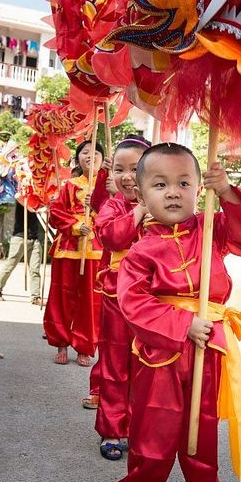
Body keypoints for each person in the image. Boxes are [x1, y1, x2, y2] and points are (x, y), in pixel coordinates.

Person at [109, 143, 241, 482]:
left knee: (202, 440)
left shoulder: (211, 231)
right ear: (142, 196)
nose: (173, 192)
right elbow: (134, 303)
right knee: (151, 438)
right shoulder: (140, 251)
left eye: (184, 182)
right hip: (158, 358)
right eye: (160, 184)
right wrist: (183, 324)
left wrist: (230, 192)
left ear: (200, 187)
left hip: (208, 354)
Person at [85, 135, 151, 459]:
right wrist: (138, 210)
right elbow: (111, 236)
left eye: (136, 169)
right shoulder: (113, 205)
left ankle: (138, 429)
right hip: (116, 297)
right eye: (121, 169)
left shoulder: (164, 204)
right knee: (114, 366)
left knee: (148, 370)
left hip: (153, 303)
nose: (127, 177)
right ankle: (112, 430)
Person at [43, 139, 111, 366]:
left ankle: (85, 345)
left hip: (96, 250)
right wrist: (74, 226)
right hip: (68, 249)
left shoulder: (109, 186)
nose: (91, 156)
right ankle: (61, 341)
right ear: (78, 158)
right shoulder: (69, 185)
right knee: (62, 297)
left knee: (91, 301)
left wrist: (98, 206)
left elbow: (116, 213)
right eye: (85, 152)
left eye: (96, 153)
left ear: (103, 160)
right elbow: (56, 213)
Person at [0, 201, 42, 305]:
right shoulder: (23, 196)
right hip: (20, 237)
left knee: (35, 269)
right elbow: (28, 205)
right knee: (10, 266)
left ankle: (36, 297)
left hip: (34, 239)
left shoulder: (40, 198)